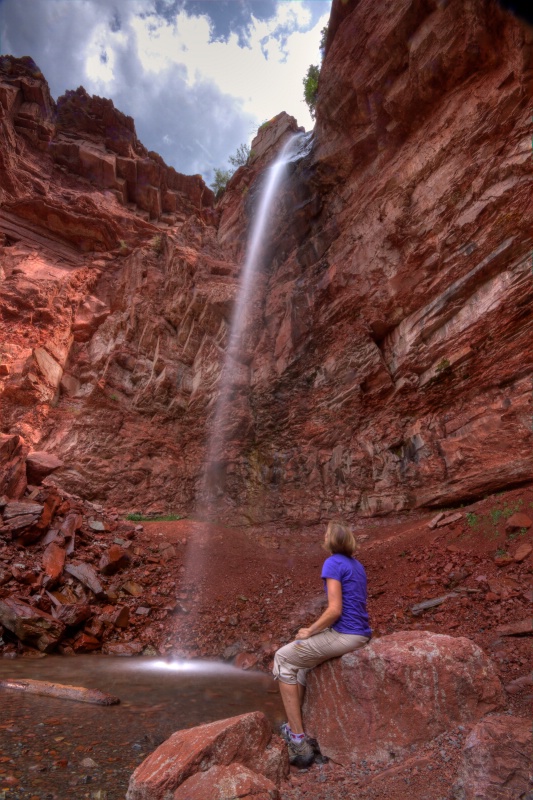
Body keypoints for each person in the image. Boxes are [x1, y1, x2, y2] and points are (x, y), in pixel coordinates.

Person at [273, 520, 371, 767]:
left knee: (283, 659)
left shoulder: (333, 563)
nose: (324, 537)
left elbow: (335, 609)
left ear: (333, 540)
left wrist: (310, 630)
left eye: (326, 534)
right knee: (302, 666)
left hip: (345, 635)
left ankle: (297, 740)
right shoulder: (357, 565)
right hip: (360, 633)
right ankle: (300, 723)